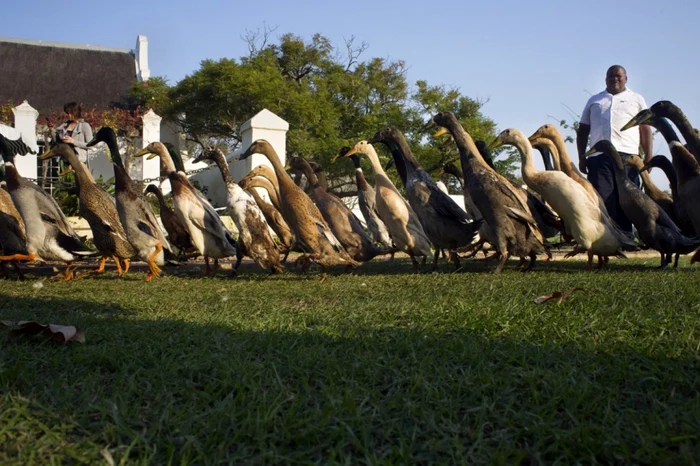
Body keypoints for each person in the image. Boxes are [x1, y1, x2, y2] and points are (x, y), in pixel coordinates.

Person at [576, 65, 653, 235]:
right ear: (605, 79)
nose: (614, 79)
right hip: (599, 157)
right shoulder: (595, 100)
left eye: (618, 76)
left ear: (626, 78)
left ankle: (627, 236)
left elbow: (645, 129)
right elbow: (583, 129)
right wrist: (582, 156)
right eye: (610, 76)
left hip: (628, 157)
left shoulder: (637, 99)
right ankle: (609, 237)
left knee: (629, 197)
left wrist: (648, 155)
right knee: (602, 196)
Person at [54, 102, 93, 166]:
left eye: (71, 113)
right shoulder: (63, 126)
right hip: (65, 161)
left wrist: (73, 141)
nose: (68, 115)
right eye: (67, 113)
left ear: (76, 113)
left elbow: (91, 145)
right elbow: (56, 143)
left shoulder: (84, 126)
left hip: (78, 162)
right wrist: (52, 130)